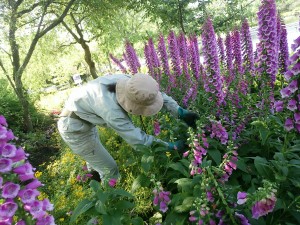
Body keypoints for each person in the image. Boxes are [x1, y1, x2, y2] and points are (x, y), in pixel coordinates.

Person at [57, 73, 199, 181]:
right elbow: (138, 140)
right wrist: (169, 146)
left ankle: (92, 175)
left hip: (83, 114)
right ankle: (107, 200)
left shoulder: (131, 83)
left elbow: (153, 94)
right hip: (74, 128)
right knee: (109, 170)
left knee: (95, 157)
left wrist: (179, 111)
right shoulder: (112, 111)